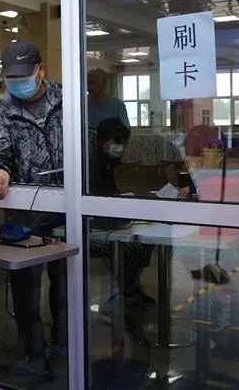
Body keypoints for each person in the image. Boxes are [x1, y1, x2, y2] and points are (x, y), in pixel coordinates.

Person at [0, 40, 95, 375]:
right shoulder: (1, 111)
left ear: (40, 71)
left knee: (66, 282)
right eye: (11, 78)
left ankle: (66, 341)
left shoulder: (67, 99)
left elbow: (88, 141)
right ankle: (34, 351)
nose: (17, 83)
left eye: (23, 76)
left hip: (66, 212)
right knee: (26, 290)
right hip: (25, 217)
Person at [88, 118, 156, 329]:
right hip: (94, 230)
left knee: (147, 241)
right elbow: (97, 206)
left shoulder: (113, 164)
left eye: (123, 142)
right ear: (104, 142)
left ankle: (131, 288)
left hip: (113, 224)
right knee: (132, 247)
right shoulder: (95, 165)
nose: (121, 146)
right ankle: (119, 297)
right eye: (117, 141)